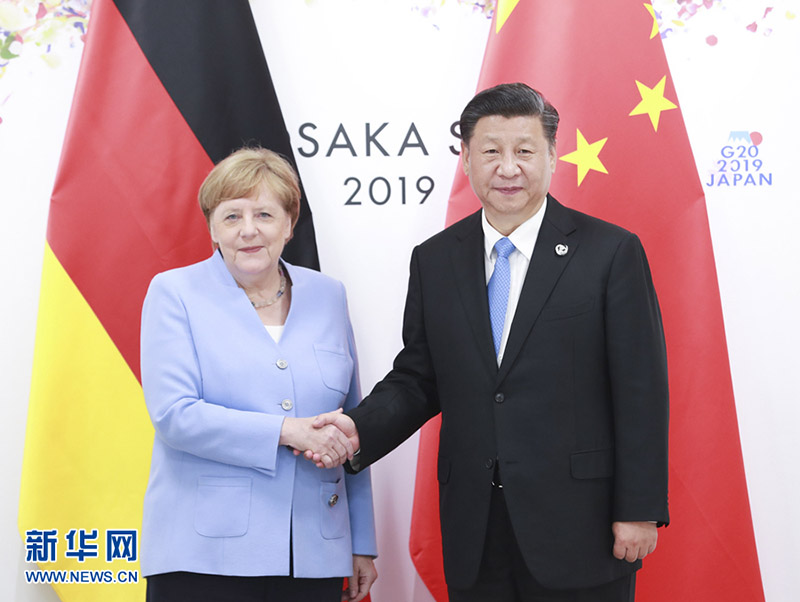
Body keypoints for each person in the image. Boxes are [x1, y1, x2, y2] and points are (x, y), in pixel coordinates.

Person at [310, 83, 669, 602]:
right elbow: (419, 377)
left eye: (524, 151)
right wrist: (354, 428)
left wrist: (637, 508)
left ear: (551, 155)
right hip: (475, 529)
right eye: (491, 151)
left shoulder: (610, 252)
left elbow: (640, 388)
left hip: (581, 527)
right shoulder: (435, 259)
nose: (508, 167)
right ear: (466, 157)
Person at [139, 147, 377, 602]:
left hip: (315, 552)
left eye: (264, 214)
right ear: (212, 227)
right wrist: (289, 431)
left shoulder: (328, 295)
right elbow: (175, 415)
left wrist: (360, 540)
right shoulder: (174, 293)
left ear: (289, 224)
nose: (248, 230)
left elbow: (349, 422)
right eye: (232, 217)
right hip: (204, 555)